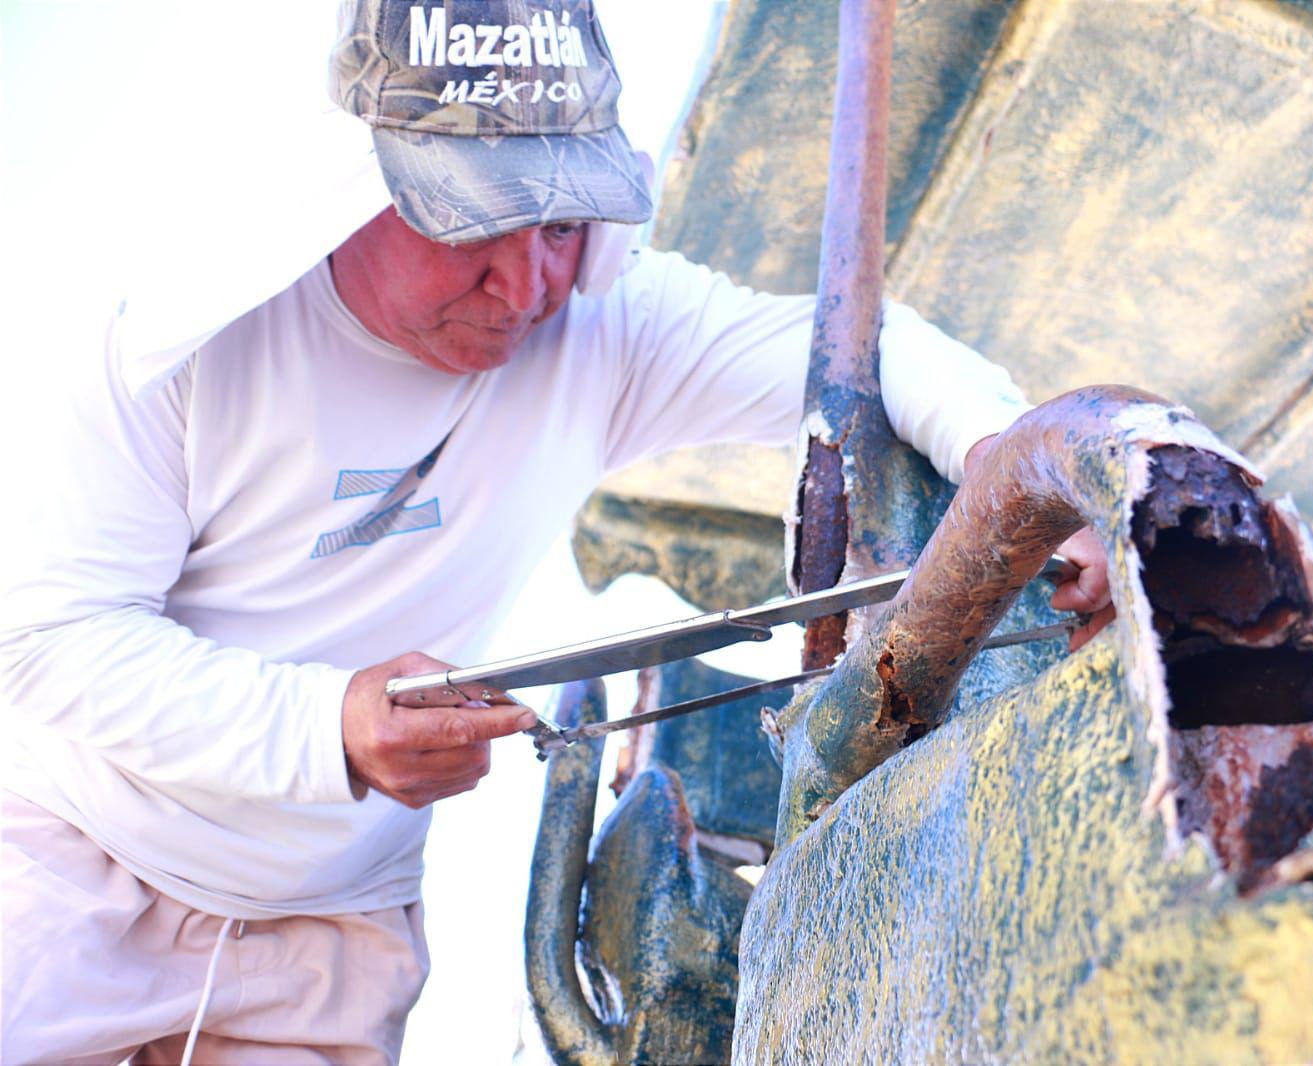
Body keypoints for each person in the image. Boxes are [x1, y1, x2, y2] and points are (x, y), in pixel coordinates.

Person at [0, 1, 1111, 1062]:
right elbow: (41, 641)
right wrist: (327, 723)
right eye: (478, 223)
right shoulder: (173, 344)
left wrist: (1025, 479)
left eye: (565, 224)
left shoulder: (601, 330)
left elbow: (870, 350)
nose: (526, 284)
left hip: (330, 926)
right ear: (362, 182)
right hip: (71, 869)